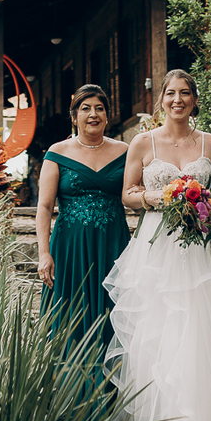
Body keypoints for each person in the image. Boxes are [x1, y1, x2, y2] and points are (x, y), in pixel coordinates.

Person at [103, 68, 211, 421]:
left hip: (199, 246)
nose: (178, 100)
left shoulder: (210, 141)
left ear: (194, 99)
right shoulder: (143, 142)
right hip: (157, 247)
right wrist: (158, 199)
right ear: (161, 99)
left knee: (201, 328)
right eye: (171, 93)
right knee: (159, 328)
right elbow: (126, 194)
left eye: (186, 93)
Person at [36, 86, 130, 386]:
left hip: (112, 247)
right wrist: (43, 253)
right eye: (86, 108)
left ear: (107, 114)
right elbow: (45, 206)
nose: (93, 114)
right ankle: (71, 401)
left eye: (99, 108)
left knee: (112, 315)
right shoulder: (57, 153)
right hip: (70, 251)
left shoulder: (125, 151)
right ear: (74, 116)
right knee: (70, 318)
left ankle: (110, 399)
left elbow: (135, 193)